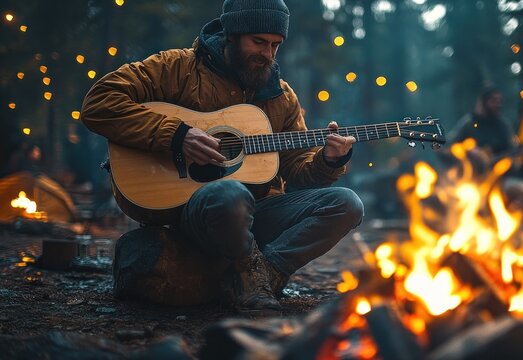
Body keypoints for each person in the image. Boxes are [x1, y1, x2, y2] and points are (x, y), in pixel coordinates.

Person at [81, 0, 364, 316]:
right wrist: (177, 135)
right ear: (232, 34)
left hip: (256, 216)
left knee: (347, 203)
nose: (268, 54)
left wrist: (328, 160)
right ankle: (248, 276)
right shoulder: (177, 68)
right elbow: (99, 103)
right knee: (230, 195)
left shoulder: (281, 96)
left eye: (275, 45)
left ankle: (261, 275)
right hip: (193, 213)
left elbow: (296, 169)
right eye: (258, 42)